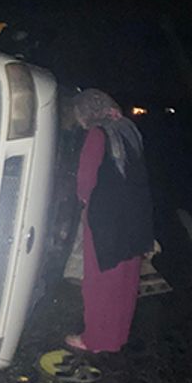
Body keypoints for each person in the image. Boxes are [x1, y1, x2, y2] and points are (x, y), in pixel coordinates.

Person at [65, 89, 154, 356]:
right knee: (126, 280)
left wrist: (82, 203)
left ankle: (95, 338)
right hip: (135, 217)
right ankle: (116, 336)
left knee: (99, 279)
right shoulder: (128, 129)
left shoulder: (98, 134)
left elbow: (86, 180)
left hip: (106, 219)